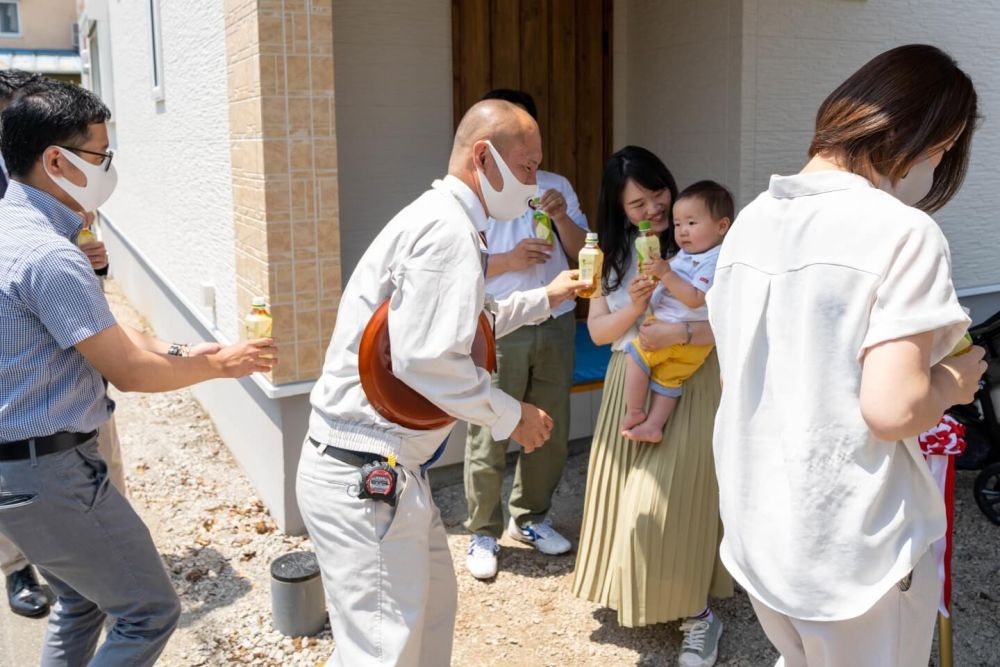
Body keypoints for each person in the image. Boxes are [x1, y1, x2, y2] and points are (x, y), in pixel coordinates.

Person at [707, 44, 984, 667]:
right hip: (853, 550)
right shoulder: (902, 231)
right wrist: (954, 380)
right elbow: (894, 408)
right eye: (943, 151)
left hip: (761, 526)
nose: (937, 168)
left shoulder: (751, 220)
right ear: (922, 135)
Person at [297, 98, 588, 667]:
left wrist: (547, 297)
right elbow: (426, 358)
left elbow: (463, 325)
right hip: (367, 470)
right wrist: (513, 415)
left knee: (425, 624)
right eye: (527, 168)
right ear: (484, 158)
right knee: (385, 650)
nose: (533, 185)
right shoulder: (447, 230)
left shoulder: (448, 221)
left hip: (387, 470)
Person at [0, 79, 275, 665]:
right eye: (100, 155)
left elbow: (119, 338)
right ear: (57, 160)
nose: (107, 169)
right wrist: (221, 370)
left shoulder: (15, 229)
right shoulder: (50, 256)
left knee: (81, 604)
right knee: (149, 610)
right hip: (52, 475)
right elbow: (129, 370)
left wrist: (198, 353)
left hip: (22, 477)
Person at [572, 146, 732, 667]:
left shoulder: (708, 239)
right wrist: (637, 308)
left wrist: (681, 327)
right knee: (631, 495)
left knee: (675, 496)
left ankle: (699, 615)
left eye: (657, 193)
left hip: (694, 374)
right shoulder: (606, 257)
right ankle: (652, 592)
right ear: (619, 210)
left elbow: (734, 318)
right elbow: (598, 331)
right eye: (637, 204)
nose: (655, 210)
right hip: (633, 374)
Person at [463, 88, 589, 579]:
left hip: (555, 322)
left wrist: (560, 216)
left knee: (549, 431)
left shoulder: (554, 184)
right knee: (489, 427)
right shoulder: (478, 191)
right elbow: (461, 265)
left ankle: (531, 517)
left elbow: (582, 252)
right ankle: (481, 530)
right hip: (499, 324)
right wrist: (512, 260)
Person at [620, 181, 732, 443]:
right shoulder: (689, 254)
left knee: (635, 355)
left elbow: (694, 298)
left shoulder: (712, 260)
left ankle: (635, 411)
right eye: (678, 224)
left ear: (722, 226)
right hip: (688, 343)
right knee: (668, 380)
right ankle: (653, 425)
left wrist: (666, 274)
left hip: (683, 335)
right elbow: (668, 273)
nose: (682, 231)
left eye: (692, 223)